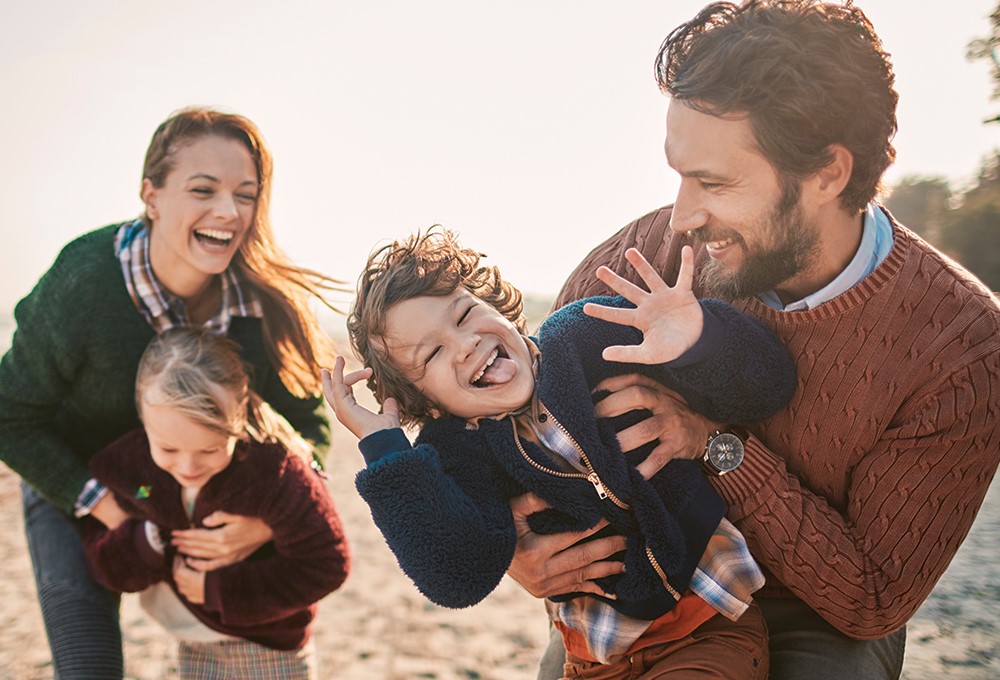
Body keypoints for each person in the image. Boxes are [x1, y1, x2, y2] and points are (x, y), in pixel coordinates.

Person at [508, 2, 1000, 679]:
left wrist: (716, 446)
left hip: (819, 610)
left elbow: (873, 598)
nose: (682, 215)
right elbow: (511, 420)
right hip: (651, 578)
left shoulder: (962, 348)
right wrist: (514, 546)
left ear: (828, 173)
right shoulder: (645, 253)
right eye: (679, 174)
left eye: (713, 182)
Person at [325, 228, 797, 678]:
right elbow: (456, 574)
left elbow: (768, 385)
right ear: (426, 403)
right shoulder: (454, 450)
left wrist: (696, 339)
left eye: (466, 315)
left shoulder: (585, 336)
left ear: (498, 309)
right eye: (431, 356)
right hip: (591, 657)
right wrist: (384, 448)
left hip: (705, 625)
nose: (466, 344)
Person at [0, 107, 341, 678]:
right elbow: (10, 415)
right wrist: (115, 514)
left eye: (245, 194)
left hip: (197, 496)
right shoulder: (85, 282)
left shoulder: (265, 304)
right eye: (203, 189)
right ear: (151, 195)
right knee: (87, 667)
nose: (228, 212)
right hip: (77, 483)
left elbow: (307, 427)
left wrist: (263, 522)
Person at [82, 327, 350, 679]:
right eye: (168, 449)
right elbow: (98, 552)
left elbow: (328, 563)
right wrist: (144, 543)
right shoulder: (131, 468)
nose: (188, 467)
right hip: (191, 643)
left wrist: (220, 590)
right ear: (143, 420)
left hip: (272, 647)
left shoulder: (274, 473)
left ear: (238, 420)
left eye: (209, 449)